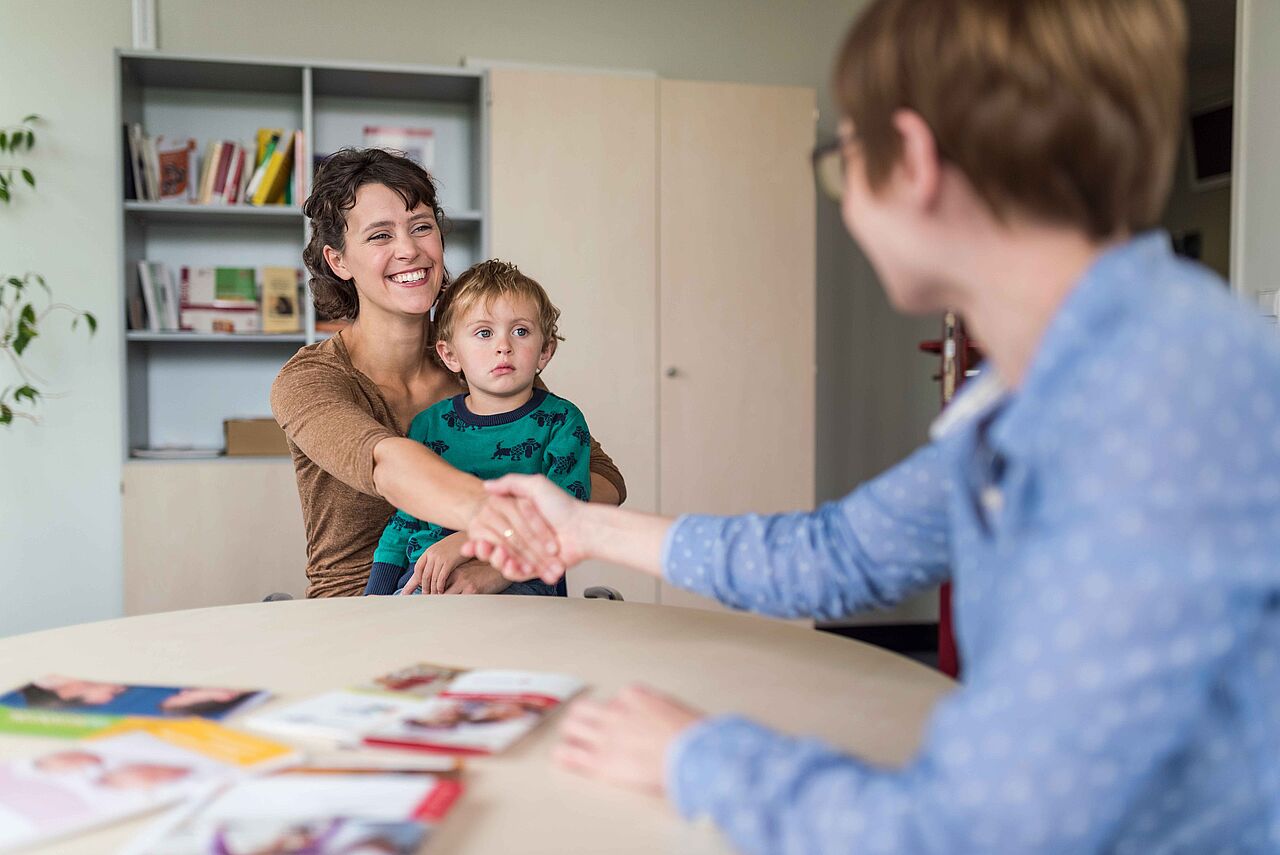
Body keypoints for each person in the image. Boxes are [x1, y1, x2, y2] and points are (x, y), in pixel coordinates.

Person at [464, 0, 1280, 851]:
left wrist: (694, 755)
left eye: (842, 163)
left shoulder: (1153, 407)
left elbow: (965, 836)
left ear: (914, 160)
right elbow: (841, 554)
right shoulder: (1062, 374)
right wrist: (585, 527)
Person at [271, 148, 625, 598]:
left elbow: (603, 480)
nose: (408, 250)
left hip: (508, 596)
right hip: (361, 608)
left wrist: (498, 564)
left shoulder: (484, 359)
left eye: (421, 227)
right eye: (380, 236)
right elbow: (388, 465)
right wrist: (498, 528)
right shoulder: (310, 380)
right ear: (338, 261)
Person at [365, 259, 591, 597]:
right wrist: (373, 602)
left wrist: (469, 540)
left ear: (545, 351)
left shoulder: (562, 422)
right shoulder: (429, 425)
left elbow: (567, 519)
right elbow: (404, 523)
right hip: (426, 582)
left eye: (520, 331)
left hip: (522, 582)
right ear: (450, 355)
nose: (504, 346)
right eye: (484, 333)